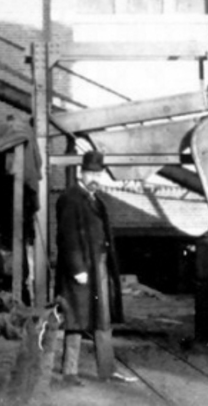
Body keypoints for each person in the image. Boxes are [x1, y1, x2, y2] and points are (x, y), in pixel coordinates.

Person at [55, 151, 133, 385]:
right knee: (75, 318)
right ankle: (69, 372)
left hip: (98, 266)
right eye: (90, 173)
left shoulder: (96, 200)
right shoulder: (70, 198)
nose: (94, 178)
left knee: (102, 318)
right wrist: (77, 268)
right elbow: (67, 237)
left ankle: (107, 370)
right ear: (81, 173)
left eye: (98, 174)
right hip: (80, 269)